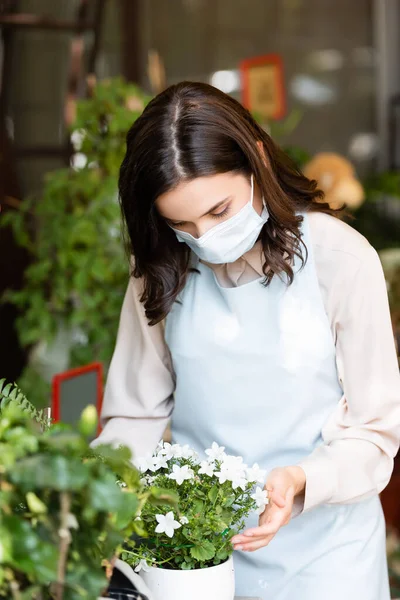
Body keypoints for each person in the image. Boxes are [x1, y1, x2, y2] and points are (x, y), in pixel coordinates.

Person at [92, 81, 400, 600]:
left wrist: (302, 479)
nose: (205, 239)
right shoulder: (160, 268)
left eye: (219, 211)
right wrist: (100, 499)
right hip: (195, 555)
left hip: (325, 556)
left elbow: (375, 434)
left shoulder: (340, 259)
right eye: (182, 224)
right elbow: (134, 414)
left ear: (256, 160)